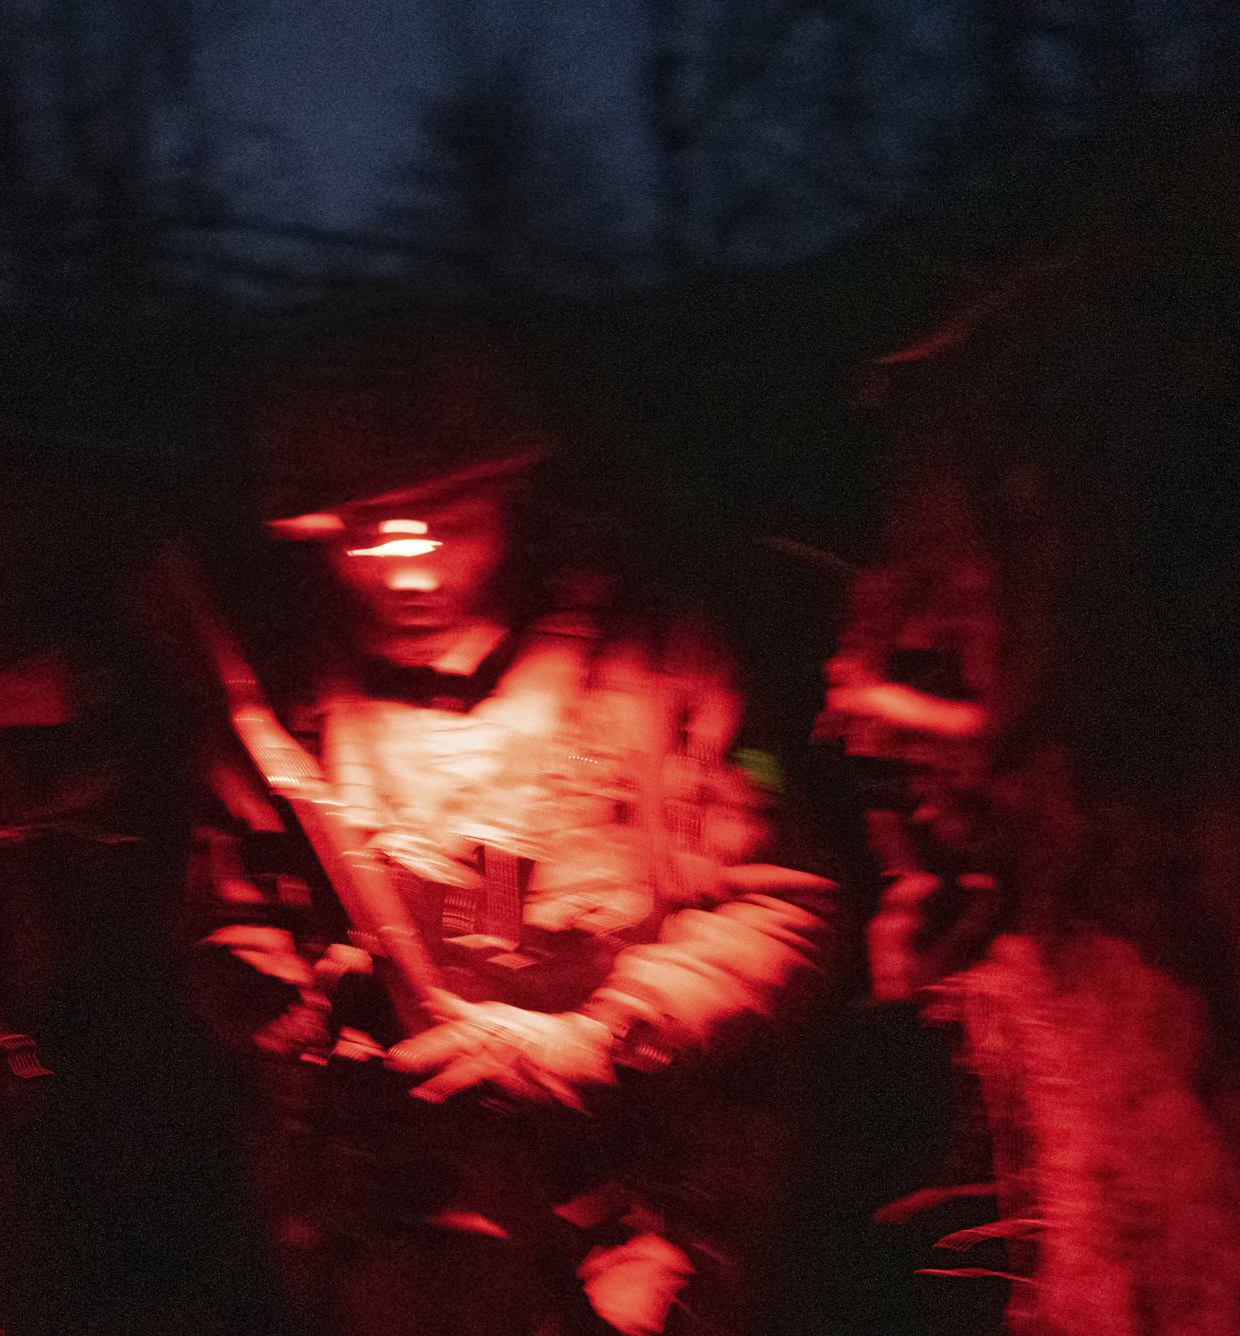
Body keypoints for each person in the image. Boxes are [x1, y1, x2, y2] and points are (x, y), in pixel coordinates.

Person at [179, 323, 842, 1336]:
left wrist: (594, 1041)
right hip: (380, 1228)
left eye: (447, 530)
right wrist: (281, 1003)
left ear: (508, 503)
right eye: (369, 541)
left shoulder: (653, 665)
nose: (409, 574)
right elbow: (228, 919)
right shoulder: (280, 710)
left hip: (628, 1212)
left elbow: (778, 903)